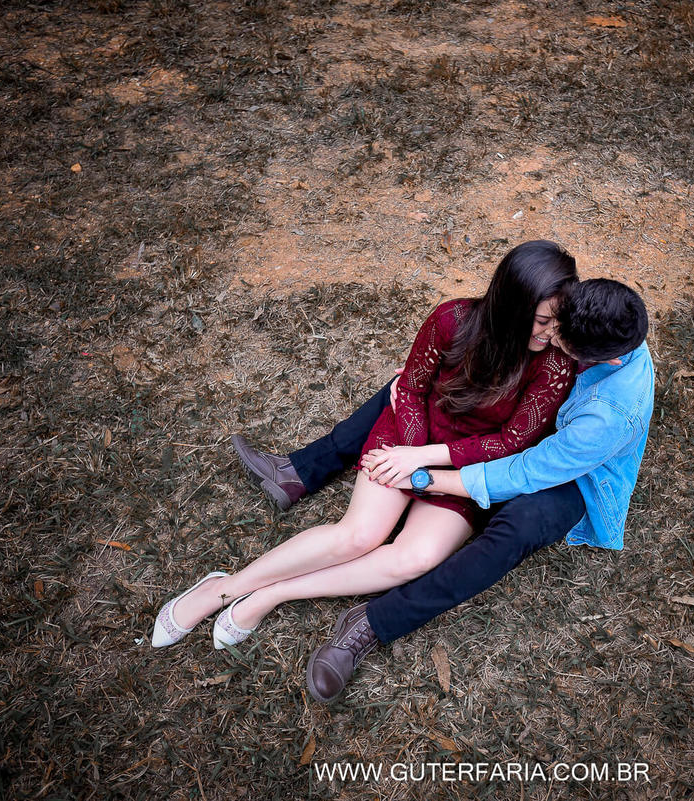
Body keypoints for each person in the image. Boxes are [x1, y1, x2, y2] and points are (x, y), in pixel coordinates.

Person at [233, 278, 654, 703]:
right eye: (551, 322)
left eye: (559, 337)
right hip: (529, 426)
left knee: (517, 529)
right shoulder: (598, 318)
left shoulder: (606, 416)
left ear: (607, 360)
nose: (548, 335)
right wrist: (424, 377)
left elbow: (524, 471)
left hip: (567, 475)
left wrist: (425, 474)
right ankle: (299, 472)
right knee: (427, 387)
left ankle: (374, 622)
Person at [151, 241, 578, 649]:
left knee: (414, 559)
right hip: (408, 435)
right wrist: (408, 451)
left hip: (466, 467)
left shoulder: (555, 363)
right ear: (511, 305)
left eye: (558, 321)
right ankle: (223, 588)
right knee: (358, 536)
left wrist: (421, 464)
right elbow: (409, 389)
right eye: (542, 320)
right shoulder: (453, 319)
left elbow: (511, 441)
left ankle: (272, 595)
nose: (551, 332)